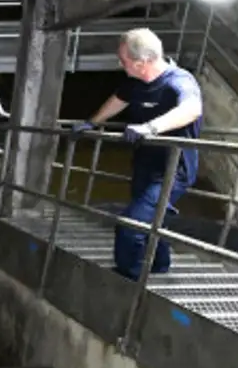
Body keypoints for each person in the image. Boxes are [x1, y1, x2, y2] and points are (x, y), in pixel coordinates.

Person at [85, 28, 202, 279]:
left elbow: (192, 109)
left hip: (173, 170)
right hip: (145, 163)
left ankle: (129, 279)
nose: (120, 64)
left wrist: (150, 127)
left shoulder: (179, 82)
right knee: (151, 219)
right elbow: (119, 99)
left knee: (130, 225)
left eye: (123, 60)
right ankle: (160, 266)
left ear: (142, 63)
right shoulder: (137, 81)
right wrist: (92, 122)